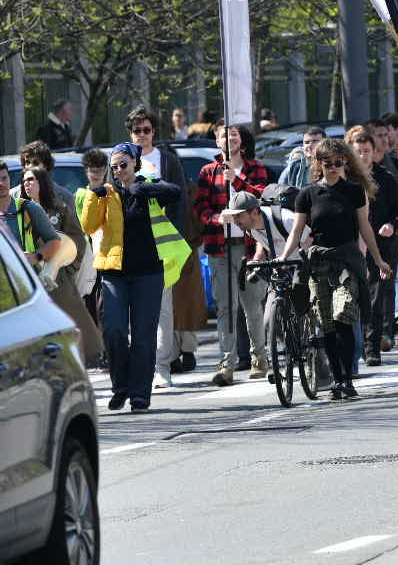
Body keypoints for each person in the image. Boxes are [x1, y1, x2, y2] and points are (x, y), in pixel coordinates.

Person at [281, 139, 391, 400]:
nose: (333, 167)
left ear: (346, 162)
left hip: (347, 261)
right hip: (318, 263)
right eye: (327, 163)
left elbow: (365, 227)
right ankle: (338, 380)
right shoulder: (306, 194)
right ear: (318, 164)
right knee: (326, 324)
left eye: (338, 162)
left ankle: (347, 379)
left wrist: (377, 259)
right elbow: (296, 231)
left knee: (344, 315)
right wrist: (284, 257)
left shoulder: (354, 191)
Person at [85, 142, 187, 412]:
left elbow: (175, 192)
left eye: (124, 165)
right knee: (115, 331)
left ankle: (140, 393)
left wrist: (139, 187)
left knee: (143, 336)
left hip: (148, 273)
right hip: (113, 273)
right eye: (114, 166)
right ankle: (121, 388)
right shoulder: (105, 193)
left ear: (135, 164)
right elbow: (88, 225)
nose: (119, 170)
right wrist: (94, 198)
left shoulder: (148, 185)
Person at [192, 124, 270, 386]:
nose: (229, 139)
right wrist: (217, 218)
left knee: (252, 305)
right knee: (225, 306)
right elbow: (200, 208)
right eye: (224, 135)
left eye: (234, 134)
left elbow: (261, 197)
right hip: (219, 246)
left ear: (241, 141)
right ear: (217, 142)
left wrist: (235, 180)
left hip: (250, 247)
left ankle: (260, 357)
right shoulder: (207, 171)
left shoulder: (254, 168)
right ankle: (227, 362)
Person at [125, 106, 196, 386]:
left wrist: (176, 241)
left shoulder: (167, 161)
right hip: (131, 246)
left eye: (146, 129)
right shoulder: (121, 161)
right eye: (136, 131)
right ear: (130, 133)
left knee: (162, 309)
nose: (142, 135)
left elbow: (180, 203)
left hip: (161, 245)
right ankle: (140, 365)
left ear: (153, 131)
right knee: (134, 311)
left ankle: (162, 366)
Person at [17, 163, 101, 363]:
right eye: (24, 181)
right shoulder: (18, 211)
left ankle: (79, 361)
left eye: (31, 180)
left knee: (68, 323)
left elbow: (78, 241)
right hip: (29, 279)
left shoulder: (59, 209)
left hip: (59, 279)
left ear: (42, 183)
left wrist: (69, 268)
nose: (27, 184)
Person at [349, 127, 398, 365]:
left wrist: (392, 225)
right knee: (356, 295)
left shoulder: (386, 178)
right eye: (358, 151)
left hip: (383, 244)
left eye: (367, 151)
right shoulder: (347, 180)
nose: (363, 156)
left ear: (374, 153)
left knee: (377, 293)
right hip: (354, 243)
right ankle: (358, 343)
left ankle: (373, 347)